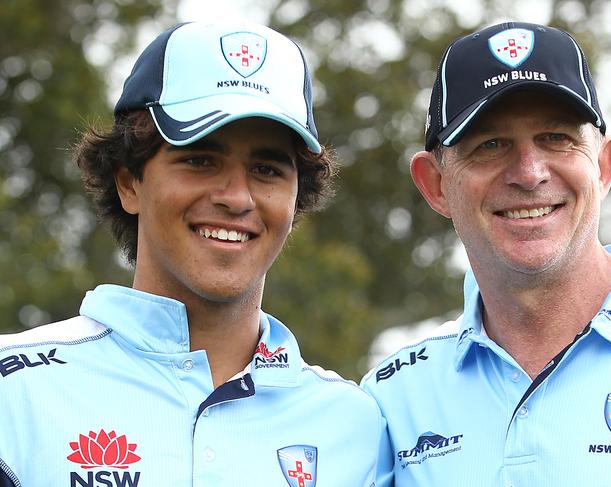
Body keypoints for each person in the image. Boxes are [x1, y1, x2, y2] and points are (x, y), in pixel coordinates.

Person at [0, 21, 384, 486]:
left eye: (266, 169)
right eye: (201, 159)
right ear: (128, 181)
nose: (237, 197)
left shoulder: (358, 426)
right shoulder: (14, 391)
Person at [362, 21, 611, 486]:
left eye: (556, 137)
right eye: (491, 144)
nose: (529, 173)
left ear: (603, 166)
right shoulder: (394, 399)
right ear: (435, 185)